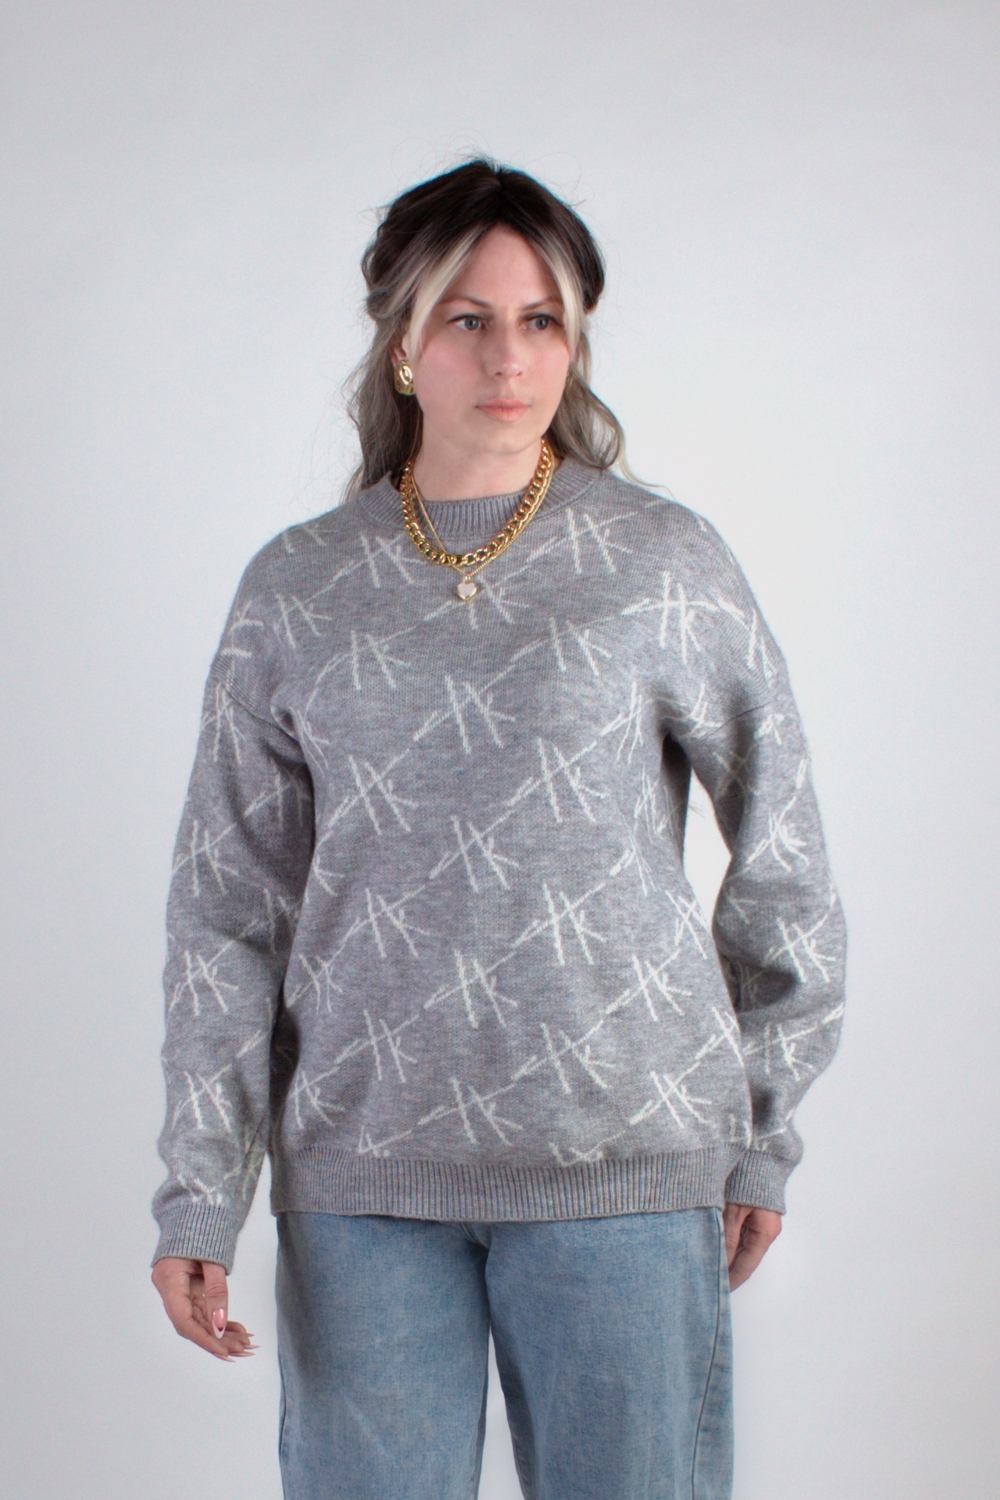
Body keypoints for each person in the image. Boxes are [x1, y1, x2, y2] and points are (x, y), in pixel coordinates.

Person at [151, 159, 846, 1500]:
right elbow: (226, 912)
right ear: (403, 342)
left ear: (575, 340)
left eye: (542, 320)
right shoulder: (300, 586)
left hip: (625, 1168)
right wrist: (200, 1187)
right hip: (365, 1183)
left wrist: (761, 1132)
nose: (509, 356)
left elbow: (787, 856)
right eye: (468, 318)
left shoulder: (660, 563)